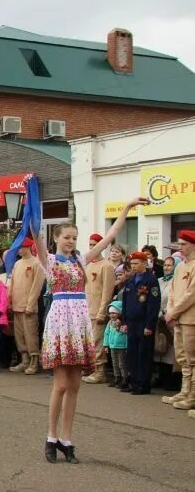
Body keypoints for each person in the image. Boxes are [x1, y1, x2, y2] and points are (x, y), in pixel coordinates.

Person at [35, 197, 145, 464]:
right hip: (61, 321)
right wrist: (30, 201)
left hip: (80, 320)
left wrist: (127, 208)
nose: (71, 241)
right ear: (56, 239)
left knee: (74, 386)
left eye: (74, 237)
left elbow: (111, 236)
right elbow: (35, 233)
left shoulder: (83, 260)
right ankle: (50, 437)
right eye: (67, 237)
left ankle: (66, 438)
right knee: (60, 384)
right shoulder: (48, 260)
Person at [120, 252, 160, 395]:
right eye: (132, 264)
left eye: (136, 263)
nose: (134, 266)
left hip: (143, 323)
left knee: (143, 353)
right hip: (131, 322)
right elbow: (125, 302)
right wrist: (124, 321)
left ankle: (143, 384)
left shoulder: (151, 280)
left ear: (144, 263)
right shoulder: (131, 280)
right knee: (132, 353)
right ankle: (134, 381)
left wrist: (149, 325)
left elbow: (153, 305)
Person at [164, 230, 195, 412]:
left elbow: (191, 295)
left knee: (192, 359)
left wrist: (174, 311)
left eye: (184, 244)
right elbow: (173, 292)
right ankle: (184, 391)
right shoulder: (180, 266)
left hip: (191, 319)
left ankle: (192, 395)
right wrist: (171, 312)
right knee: (182, 357)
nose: (180, 247)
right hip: (179, 318)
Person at [82, 233, 117, 385]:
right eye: (90, 244)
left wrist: (103, 311)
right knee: (89, 342)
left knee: (98, 343)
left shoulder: (107, 266)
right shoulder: (88, 265)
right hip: (86, 310)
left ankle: (100, 371)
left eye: (95, 244)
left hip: (98, 311)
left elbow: (107, 292)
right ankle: (90, 367)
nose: (92, 247)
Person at [7, 238, 45, 375]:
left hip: (29, 307)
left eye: (20, 248)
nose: (18, 250)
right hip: (17, 305)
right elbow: (12, 283)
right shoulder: (17, 264)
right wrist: (9, 299)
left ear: (27, 247)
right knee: (20, 335)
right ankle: (24, 360)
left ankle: (34, 361)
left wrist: (30, 304)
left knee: (31, 335)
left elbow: (37, 287)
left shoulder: (37, 263)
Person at [154, 257, 180, 392]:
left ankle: (172, 380)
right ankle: (160, 377)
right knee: (159, 348)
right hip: (158, 319)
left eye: (170, 265)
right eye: (165, 265)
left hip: (169, 319)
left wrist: (165, 313)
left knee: (170, 350)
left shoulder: (177, 282)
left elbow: (175, 299)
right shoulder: (159, 281)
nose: (166, 267)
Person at [103, 301, 128, 389]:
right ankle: (117, 377)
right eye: (110, 313)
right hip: (112, 346)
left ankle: (124, 378)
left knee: (122, 364)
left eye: (114, 312)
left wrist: (120, 326)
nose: (112, 315)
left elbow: (125, 333)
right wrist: (106, 345)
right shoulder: (110, 323)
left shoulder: (124, 322)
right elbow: (106, 333)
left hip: (122, 346)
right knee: (115, 363)